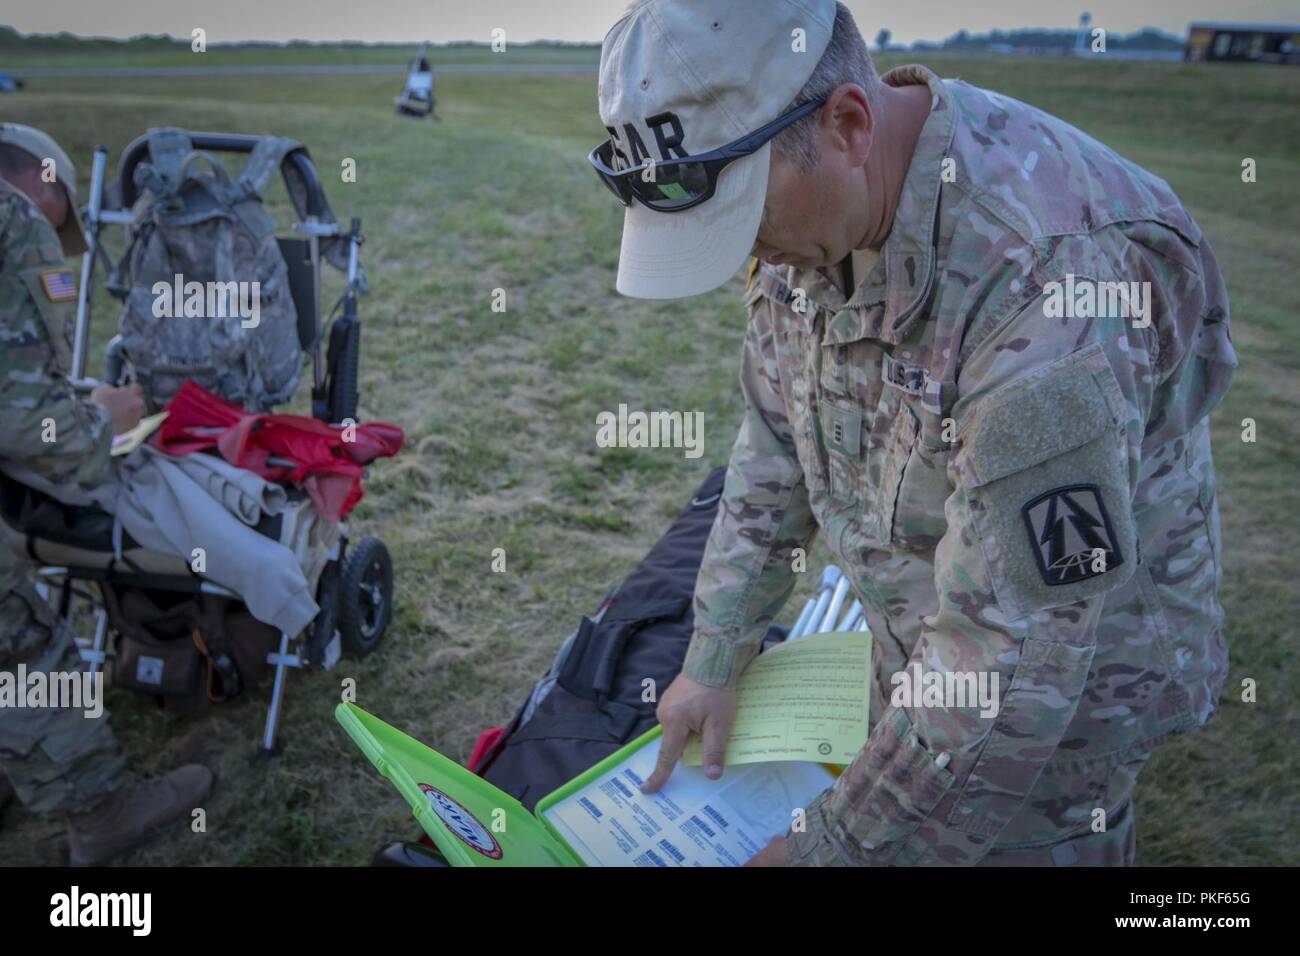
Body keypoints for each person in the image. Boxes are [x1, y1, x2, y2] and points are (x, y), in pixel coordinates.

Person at [589, 1, 1236, 865]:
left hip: (1068, 694)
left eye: (745, 222)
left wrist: (832, 848)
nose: (754, 257)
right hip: (925, 643)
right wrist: (715, 650)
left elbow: (1019, 649)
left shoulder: (1045, 279)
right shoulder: (821, 220)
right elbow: (776, 444)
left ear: (849, 124)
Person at [0, 123, 212, 864]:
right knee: (19, 649)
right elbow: (25, 419)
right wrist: (103, 422)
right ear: (47, 183)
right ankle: (101, 811)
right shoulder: (15, 215)